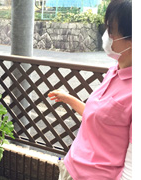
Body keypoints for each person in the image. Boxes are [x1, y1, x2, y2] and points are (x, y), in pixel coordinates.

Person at [48, 0, 132, 179]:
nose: (106, 36)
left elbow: (133, 169)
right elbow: (98, 116)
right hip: (72, 165)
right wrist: (68, 98)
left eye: (110, 30)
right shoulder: (114, 70)